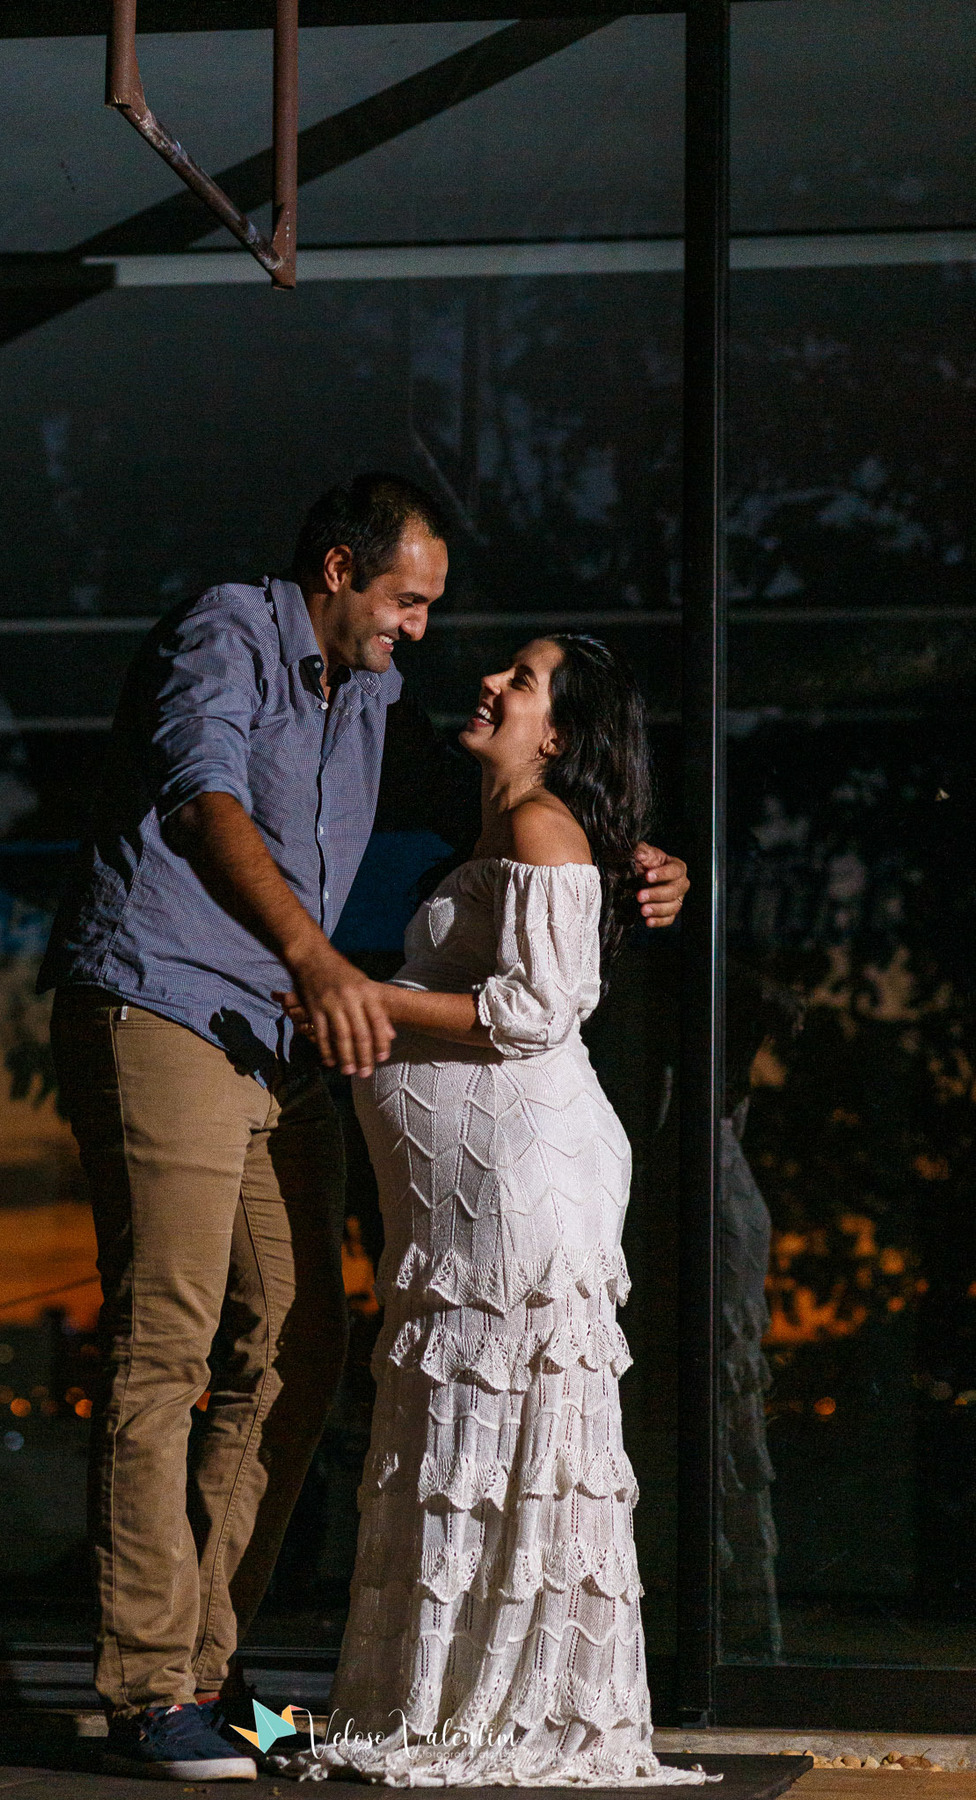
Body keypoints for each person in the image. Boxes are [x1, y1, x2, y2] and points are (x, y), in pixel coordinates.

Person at [39, 474, 690, 1781]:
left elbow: (417, 854)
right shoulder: (229, 630)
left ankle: (207, 1667)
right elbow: (203, 801)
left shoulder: (374, 694)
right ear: (338, 573)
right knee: (169, 1337)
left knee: (300, 1346)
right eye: (408, 600)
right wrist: (322, 965)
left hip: (277, 1040)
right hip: (167, 1009)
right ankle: (145, 1685)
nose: (422, 633)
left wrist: (618, 864)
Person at [280, 636, 704, 1786]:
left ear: (558, 735)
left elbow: (537, 1006)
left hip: (516, 1197)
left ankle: (513, 1697)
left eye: (522, 682)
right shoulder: (506, 830)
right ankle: (447, 1692)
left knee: (512, 1430)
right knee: (462, 1436)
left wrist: (365, 996)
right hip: (461, 1210)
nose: (493, 684)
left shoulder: (538, 826)